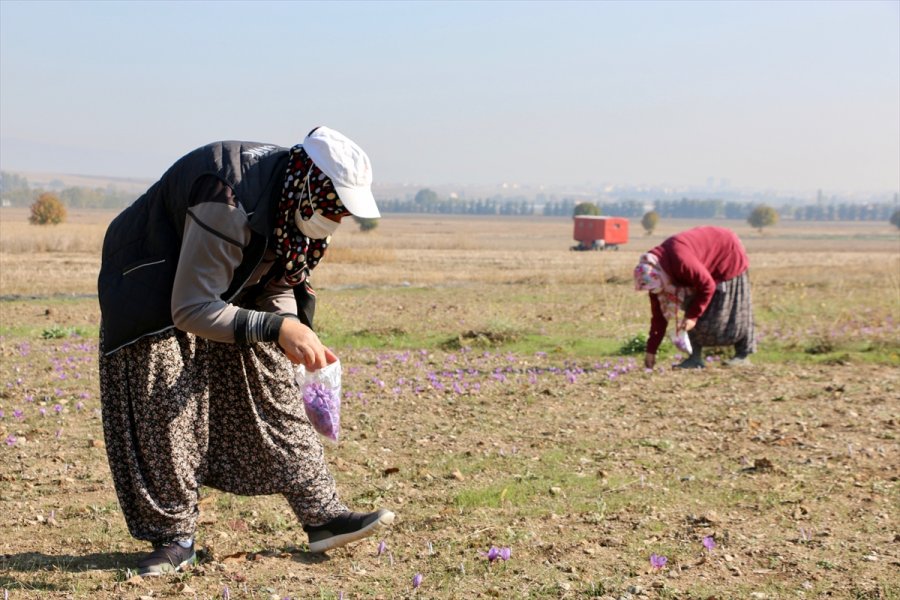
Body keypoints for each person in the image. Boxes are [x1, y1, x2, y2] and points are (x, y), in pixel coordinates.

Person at [97, 126, 394, 576]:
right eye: (334, 207)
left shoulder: (301, 210)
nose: (337, 220)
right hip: (148, 278)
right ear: (311, 185)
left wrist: (289, 328)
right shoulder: (228, 199)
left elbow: (276, 280)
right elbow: (192, 306)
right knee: (166, 397)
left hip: (217, 283)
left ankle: (322, 515)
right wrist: (277, 327)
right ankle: (175, 538)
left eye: (343, 212)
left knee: (273, 377)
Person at [633, 226, 757, 369]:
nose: (658, 292)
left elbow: (707, 285)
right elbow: (659, 316)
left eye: (659, 288)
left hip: (727, 253)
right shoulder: (654, 276)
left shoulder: (680, 261)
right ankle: (695, 358)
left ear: (661, 276)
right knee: (691, 307)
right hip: (702, 267)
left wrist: (692, 317)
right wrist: (651, 351)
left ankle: (742, 355)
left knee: (732, 308)